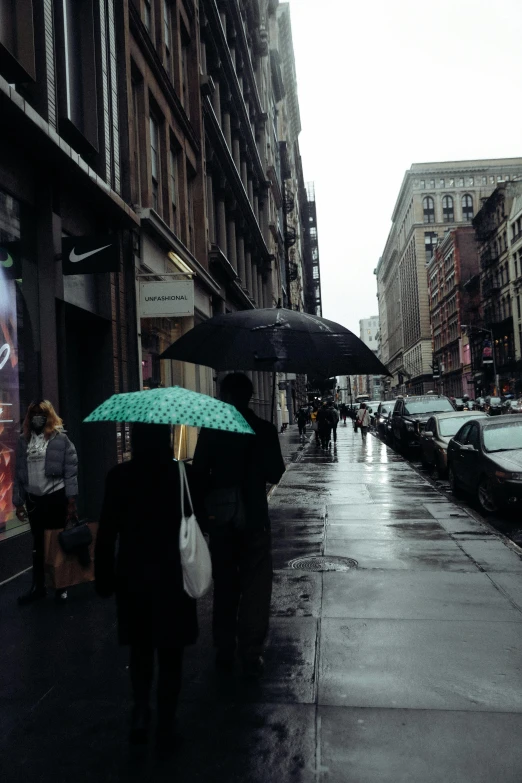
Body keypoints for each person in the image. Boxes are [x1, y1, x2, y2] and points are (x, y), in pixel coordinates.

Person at [95, 423, 198, 749]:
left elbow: (107, 530)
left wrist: (103, 575)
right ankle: (167, 722)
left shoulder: (119, 476)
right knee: (171, 653)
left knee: (140, 649)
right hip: (172, 576)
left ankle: (141, 710)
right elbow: (199, 520)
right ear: (166, 438)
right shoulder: (182, 476)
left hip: (133, 574)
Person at [192, 373, 285, 678]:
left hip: (221, 521)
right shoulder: (263, 429)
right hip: (255, 520)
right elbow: (275, 473)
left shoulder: (212, 429)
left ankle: (224, 647)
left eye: (220, 393)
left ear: (229, 396)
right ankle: (251, 650)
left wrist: (201, 515)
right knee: (256, 588)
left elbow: (200, 475)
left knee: (226, 586)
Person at [13, 399, 78, 605]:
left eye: (41, 414)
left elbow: (71, 470)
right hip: (34, 499)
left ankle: (61, 585)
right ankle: (38, 586)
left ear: (48, 416)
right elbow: (19, 472)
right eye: (33, 414)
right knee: (38, 544)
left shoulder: (60, 439)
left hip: (54, 496)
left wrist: (71, 500)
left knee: (57, 542)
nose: (36, 418)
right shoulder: (24, 440)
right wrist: (18, 501)